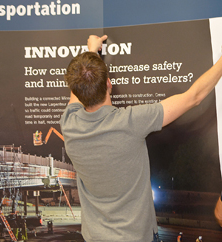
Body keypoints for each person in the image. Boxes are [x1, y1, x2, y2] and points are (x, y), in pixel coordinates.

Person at [59, 35, 222, 242]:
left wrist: (92, 51)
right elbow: (194, 97)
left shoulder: (69, 123)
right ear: (109, 84)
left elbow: (78, 91)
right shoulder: (130, 122)